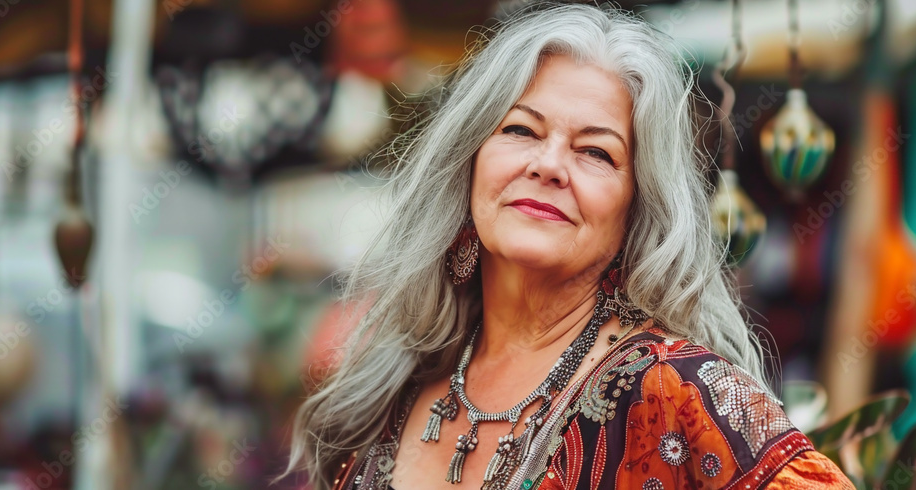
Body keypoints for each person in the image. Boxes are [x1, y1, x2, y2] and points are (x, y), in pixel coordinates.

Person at [288, 4, 854, 489]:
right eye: (521, 131)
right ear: (468, 164)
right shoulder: (391, 382)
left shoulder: (674, 390)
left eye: (596, 152)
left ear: (635, 210)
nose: (549, 164)